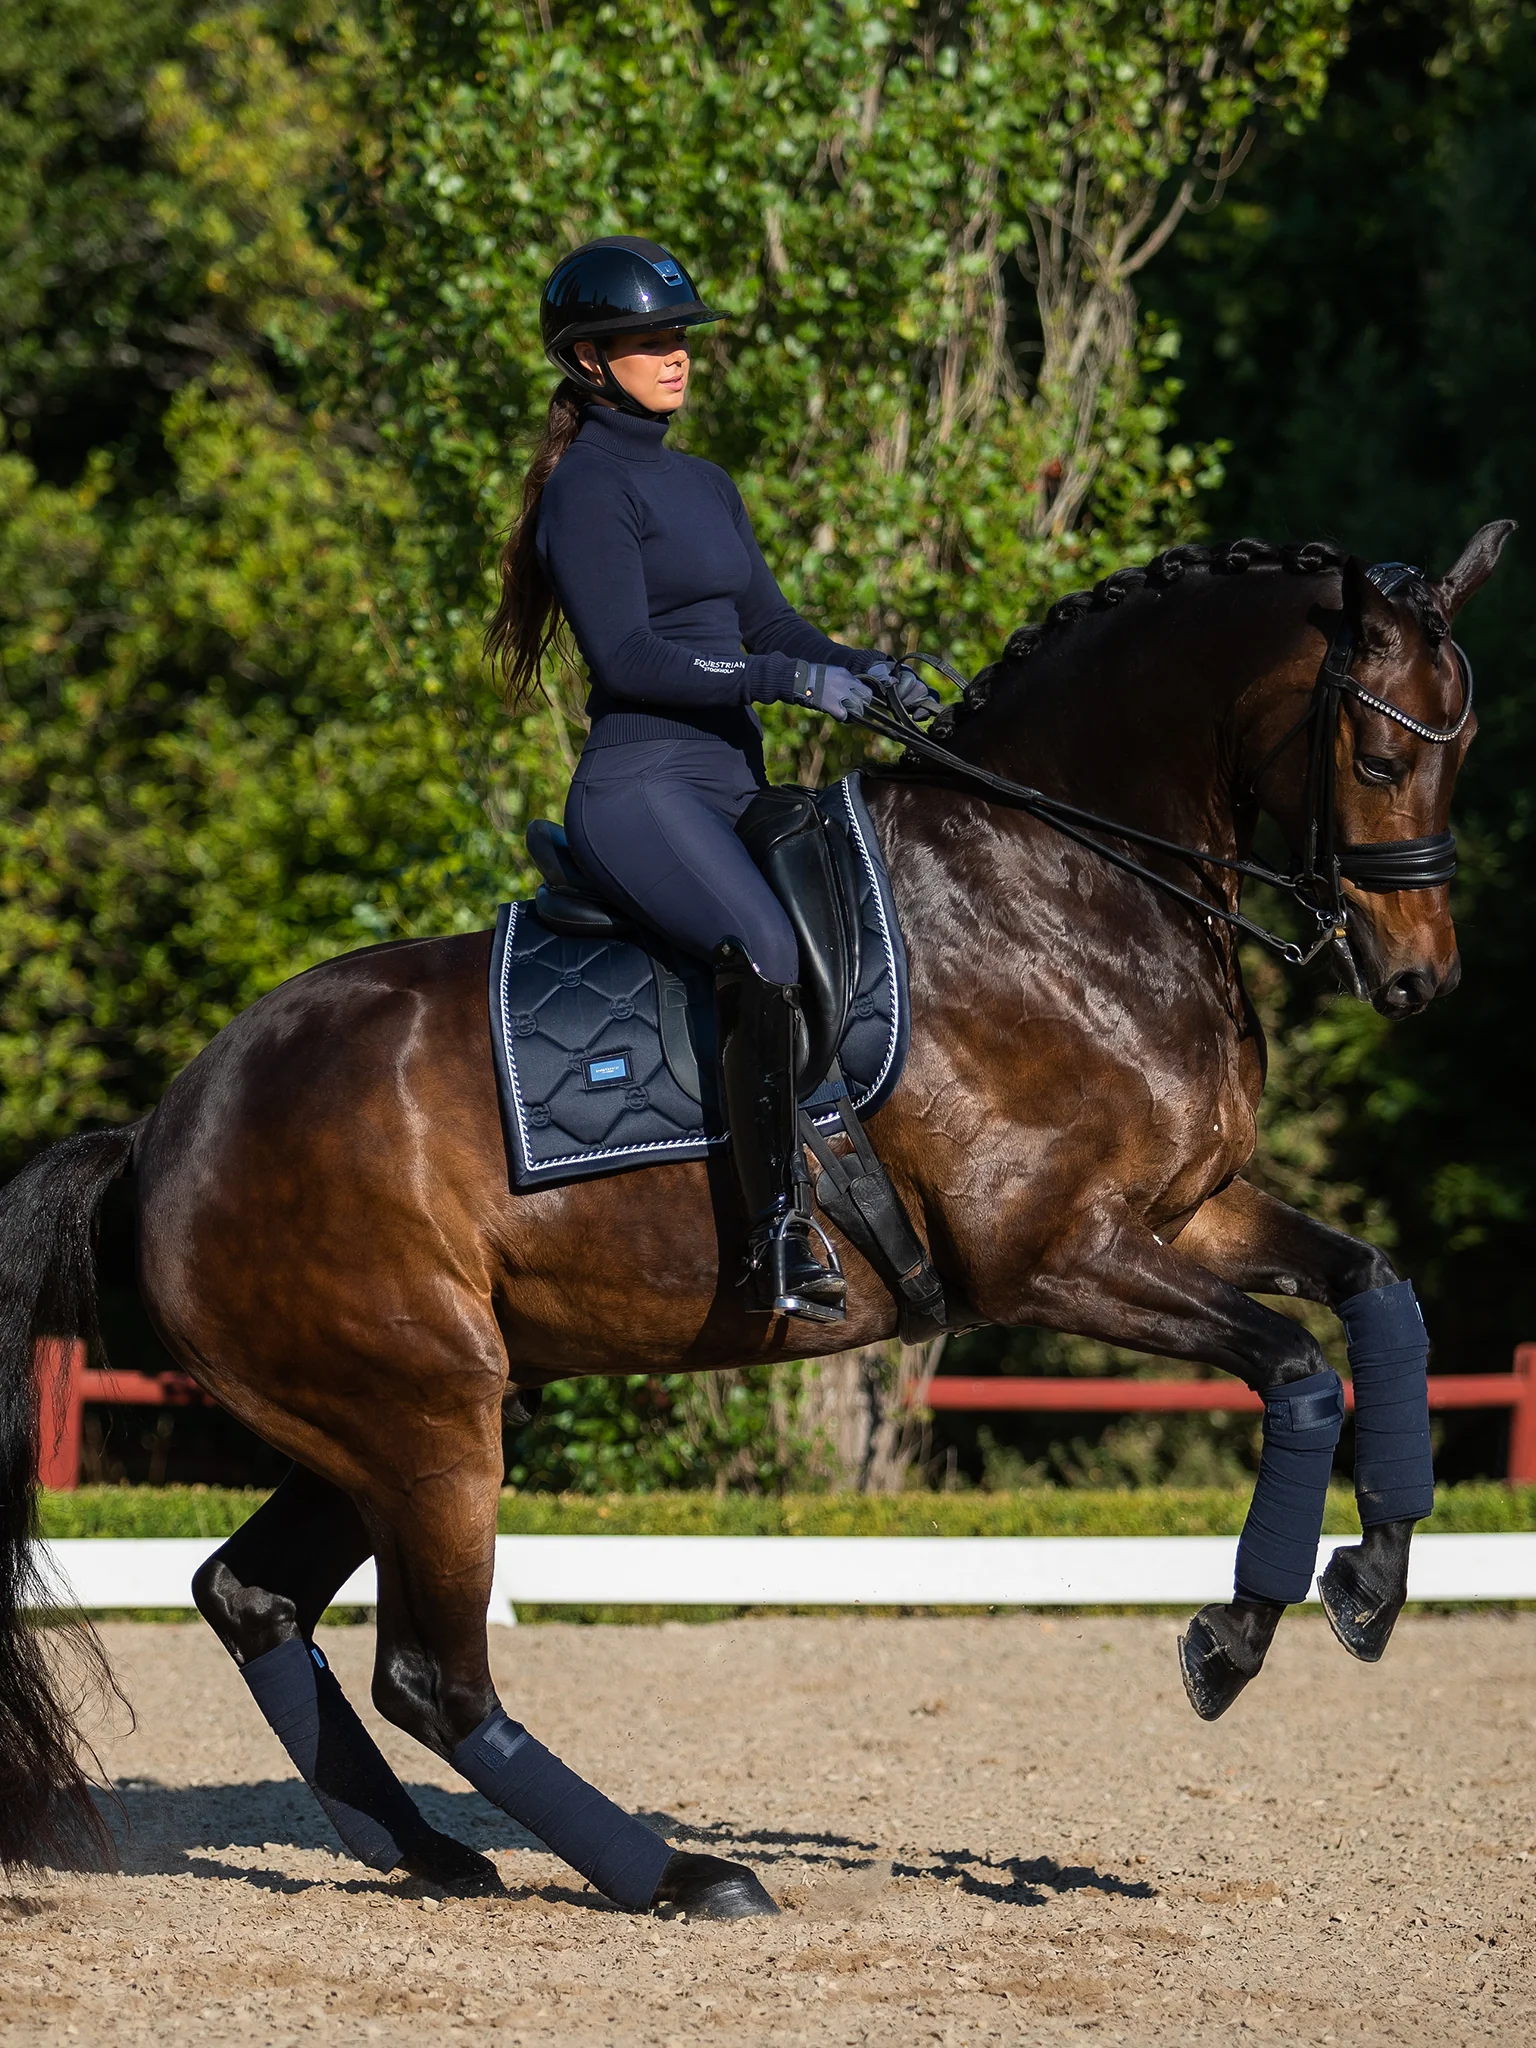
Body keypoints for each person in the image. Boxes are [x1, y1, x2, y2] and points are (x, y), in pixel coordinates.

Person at [485, 235, 938, 1325]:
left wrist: (863, 668)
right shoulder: (586, 492)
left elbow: (770, 623)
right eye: (649, 340)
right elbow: (632, 657)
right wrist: (786, 680)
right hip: (641, 789)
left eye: (679, 335)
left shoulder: (704, 483)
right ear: (591, 362)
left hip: (734, 785)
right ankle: (778, 1230)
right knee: (770, 949)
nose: (676, 355)